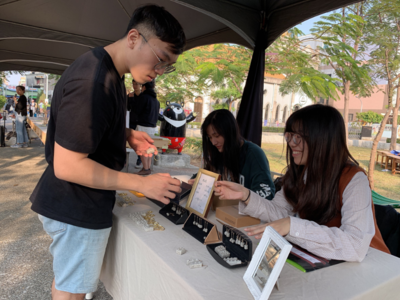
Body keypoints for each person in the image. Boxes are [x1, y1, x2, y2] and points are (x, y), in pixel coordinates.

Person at [30, 5, 185, 300]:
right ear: (133, 38)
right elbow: (68, 165)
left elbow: (83, 127)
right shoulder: (94, 81)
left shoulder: (110, 72)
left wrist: (126, 135)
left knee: (68, 282)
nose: (159, 72)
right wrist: (141, 183)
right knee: (71, 292)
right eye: (160, 60)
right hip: (75, 204)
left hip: (76, 202)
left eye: (168, 66)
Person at [214, 104, 390, 262]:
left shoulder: (354, 179)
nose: (291, 144)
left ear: (322, 140)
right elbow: (278, 212)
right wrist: (246, 195)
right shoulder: (299, 173)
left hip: (371, 268)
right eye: (289, 136)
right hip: (327, 262)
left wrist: (292, 225)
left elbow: (355, 245)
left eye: (298, 137)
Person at [189, 109, 275, 200]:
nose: (213, 142)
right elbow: (206, 174)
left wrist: (243, 195)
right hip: (221, 210)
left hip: (245, 212)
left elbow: (267, 194)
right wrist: (199, 181)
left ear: (230, 132)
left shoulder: (253, 154)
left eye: (217, 136)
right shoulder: (218, 152)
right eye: (210, 137)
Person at [128, 79, 160, 175]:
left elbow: (136, 110)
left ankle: (145, 169)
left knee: (142, 148)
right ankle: (148, 167)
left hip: (143, 126)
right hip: (153, 128)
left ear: (144, 87)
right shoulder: (156, 101)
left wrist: (131, 100)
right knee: (149, 148)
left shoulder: (144, 97)